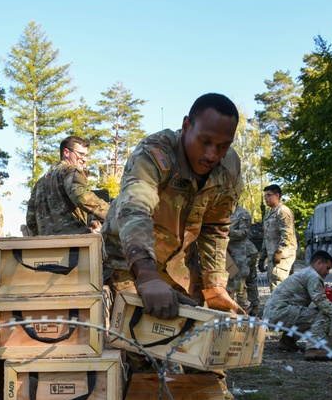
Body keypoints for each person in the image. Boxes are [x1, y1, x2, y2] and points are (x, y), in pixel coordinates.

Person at [102, 93, 243, 318]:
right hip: (128, 261)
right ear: (186, 126)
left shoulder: (229, 167)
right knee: (131, 337)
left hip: (178, 268)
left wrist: (215, 284)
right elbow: (135, 208)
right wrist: (146, 275)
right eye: (205, 141)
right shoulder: (155, 153)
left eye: (223, 146)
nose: (212, 154)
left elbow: (215, 228)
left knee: (186, 341)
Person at [26, 135, 109, 236]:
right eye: (81, 154)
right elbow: (82, 198)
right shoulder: (71, 170)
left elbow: (31, 220)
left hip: (46, 245)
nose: (84, 159)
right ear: (66, 152)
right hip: (73, 244)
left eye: (86, 155)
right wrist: (114, 213)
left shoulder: (40, 182)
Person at [263, 250, 332, 357]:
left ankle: (287, 341)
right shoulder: (313, 276)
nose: (328, 272)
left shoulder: (306, 273)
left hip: (273, 313)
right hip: (280, 313)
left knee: (307, 314)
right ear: (319, 263)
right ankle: (314, 348)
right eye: (327, 268)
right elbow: (321, 302)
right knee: (322, 315)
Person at [226, 204, 260, 316]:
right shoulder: (222, 211)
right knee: (234, 281)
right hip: (231, 253)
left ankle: (245, 310)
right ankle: (235, 308)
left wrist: (226, 231)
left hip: (244, 253)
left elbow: (243, 233)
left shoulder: (243, 213)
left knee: (241, 283)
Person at [261, 183, 296, 289]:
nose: (266, 198)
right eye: (265, 196)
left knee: (278, 286)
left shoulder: (283, 211)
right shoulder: (269, 214)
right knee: (277, 286)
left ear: (277, 196)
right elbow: (266, 237)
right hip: (273, 256)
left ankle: (279, 306)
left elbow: (287, 233)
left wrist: (279, 251)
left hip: (282, 257)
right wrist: (262, 257)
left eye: (268, 195)